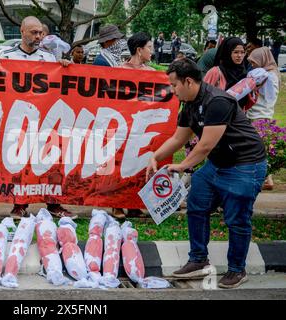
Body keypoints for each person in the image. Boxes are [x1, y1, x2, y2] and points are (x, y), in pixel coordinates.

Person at [147, 58, 266, 289]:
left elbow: (205, 146)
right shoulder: (189, 103)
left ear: (188, 81)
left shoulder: (217, 101)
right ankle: (198, 259)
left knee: (237, 218)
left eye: (174, 85)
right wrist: (155, 156)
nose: (172, 90)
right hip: (217, 165)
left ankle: (237, 270)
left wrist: (182, 166)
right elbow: (178, 139)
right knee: (197, 203)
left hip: (245, 164)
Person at [0, 16, 76, 220]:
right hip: (17, 120)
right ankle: (19, 205)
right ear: (22, 31)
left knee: (49, 161)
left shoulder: (48, 59)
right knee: (19, 162)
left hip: (44, 120)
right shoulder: (6, 56)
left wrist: (64, 66)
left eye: (41, 33)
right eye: (34, 32)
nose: (39, 36)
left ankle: (53, 204)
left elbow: (61, 84)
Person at [112, 31, 155, 219]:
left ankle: (134, 204)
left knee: (139, 165)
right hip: (122, 127)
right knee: (119, 166)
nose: (152, 52)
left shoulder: (152, 74)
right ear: (139, 50)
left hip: (142, 127)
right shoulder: (119, 71)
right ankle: (117, 205)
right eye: (150, 48)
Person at [246, 47, 280, 190]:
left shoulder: (262, 74)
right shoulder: (275, 74)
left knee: (255, 148)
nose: (252, 65)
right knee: (263, 147)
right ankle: (268, 179)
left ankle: (260, 179)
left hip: (256, 114)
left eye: (254, 62)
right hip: (267, 114)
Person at [204, 37, 254, 111]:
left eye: (242, 52)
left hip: (238, 117)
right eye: (236, 52)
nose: (239, 56)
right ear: (227, 52)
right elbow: (203, 94)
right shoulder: (215, 72)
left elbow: (246, 101)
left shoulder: (244, 72)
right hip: (218, 116)